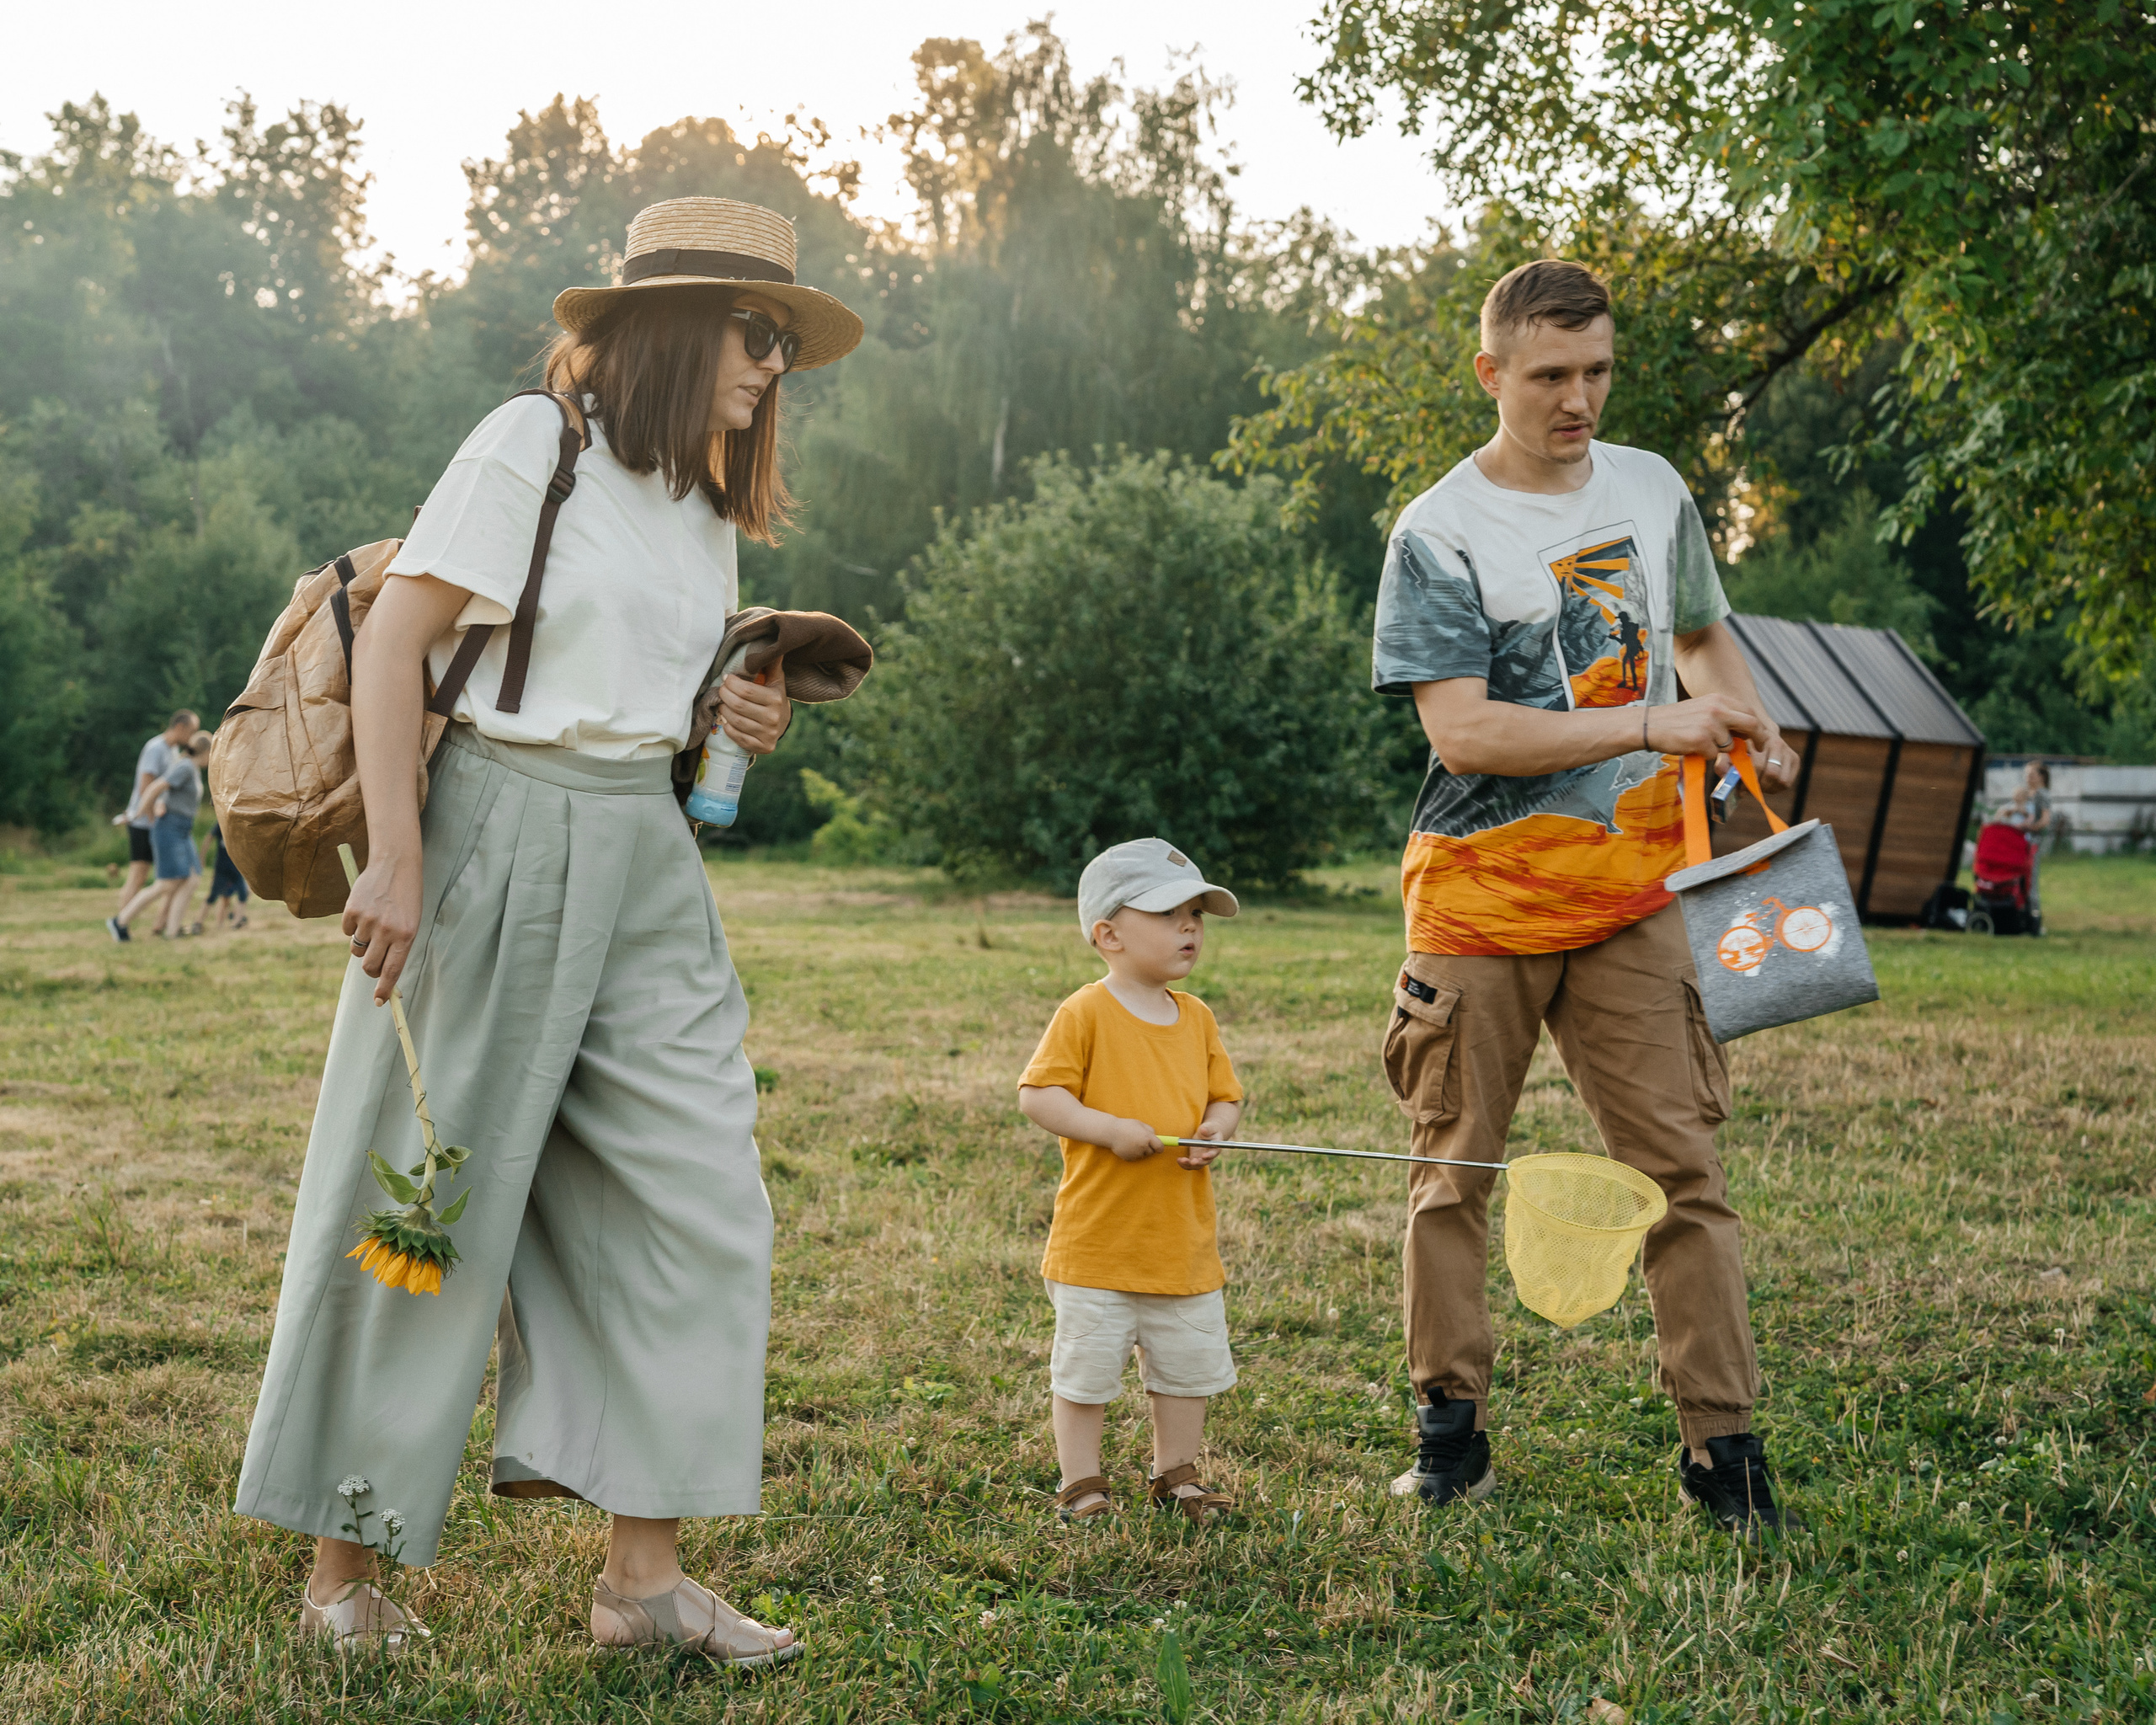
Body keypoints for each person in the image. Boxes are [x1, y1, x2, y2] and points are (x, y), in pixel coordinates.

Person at [232, 197, 862, 1660]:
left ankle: (644, 1585)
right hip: (495, 830)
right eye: (755, 331)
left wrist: (728, 712)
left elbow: (643, 695)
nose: (774, 364)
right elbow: (401, 640)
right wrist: (398, 857)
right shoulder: (535, 444)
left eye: (785, 339)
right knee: (425, 1193)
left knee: (699, 1196)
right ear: (671, 325)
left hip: (647, 849)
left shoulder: (703, 504)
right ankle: (341, 1572)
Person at [1370, 259, 1801, 1538]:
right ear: (1491, 372)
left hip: (1634, 893)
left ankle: (1725, 1455)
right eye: (1550, 374)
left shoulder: (1653, 487)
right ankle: (1450, 1439)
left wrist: (1750, 720)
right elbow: (1464, 733)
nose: (1578, 399)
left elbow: (1702, 634)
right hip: (1479, 903)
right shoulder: (1438, 530)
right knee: (1453, 1173)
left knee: (1684, 1172)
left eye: (1597, 371)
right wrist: (1655, 721)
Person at [1017, 838, 1246, 1527]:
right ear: (1109, 935)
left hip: (1180, 1244)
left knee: (1185, 1370)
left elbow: (1225, 1097)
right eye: (1169, 914)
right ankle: (1081, 1483)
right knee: (1086, 1374)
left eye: (1196, 915)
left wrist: (1215, 1130)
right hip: (1099, 1244)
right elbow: (1039, 1095)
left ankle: (1176, 1474)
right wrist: (1107, 1128)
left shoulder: (1197, 1017)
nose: (1189, 928)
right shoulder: (1086, 1012)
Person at [110, 730, 212, 941]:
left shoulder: (191, 769)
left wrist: (161, 802)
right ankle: (120, 922)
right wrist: (137, 813)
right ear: (206, 751)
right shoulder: (185, 766)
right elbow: (157, 786)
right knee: (166, 884)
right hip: (169, 828)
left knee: (192, 879)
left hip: (183, 829)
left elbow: (169, 793)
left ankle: (172, 931)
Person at [2009, 760, 2053, 930]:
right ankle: (2023, 917)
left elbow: (2045, 820)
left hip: (2034, 843)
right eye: (2026, 775)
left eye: (2031, 775)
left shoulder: (2042, 794)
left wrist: (2029, 827)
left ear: (2041, 777)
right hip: (2024, 842)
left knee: (2031, 881)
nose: (2028, 778)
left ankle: (2035, 921)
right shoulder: (2031, 794)